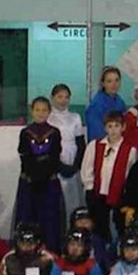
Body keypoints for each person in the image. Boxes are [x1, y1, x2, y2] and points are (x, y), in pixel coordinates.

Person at [14, 96, 65, 254]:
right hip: (29, 183)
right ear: (32, 111)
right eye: (37, 110)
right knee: (28, 218)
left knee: (49, 221)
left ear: (49, 112)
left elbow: (55, 158)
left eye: (44, 110)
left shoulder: (55, 133)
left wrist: (44, 174)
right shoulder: (25, 133)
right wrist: (34, 175)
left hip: (49, 184)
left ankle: (50, 253)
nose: (41, 113)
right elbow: (26, 157)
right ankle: (26, 253)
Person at [81, 111, 138, 243]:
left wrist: (126, 195)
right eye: (110, 126)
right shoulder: (94, 146)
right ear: (105, 128)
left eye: (116, 126)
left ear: (123, 127)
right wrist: (89, 188)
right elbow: (87, 168)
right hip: (98, 195)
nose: (113, 130)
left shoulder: (130, 150)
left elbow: (130, 175)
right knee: (100, 228)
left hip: (119, 196)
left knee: (118, 228)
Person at [48, 84, 85, 223]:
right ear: (52, 98)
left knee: (73, 198)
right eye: (60, 97)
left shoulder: (75, 117)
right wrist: (59, 165)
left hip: (72, 158)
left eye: (66, 97)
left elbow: (80, 142)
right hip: (56, 159)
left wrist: (75, 165)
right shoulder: (49, 118)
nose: (63, 100)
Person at [86, 66, 126, 142]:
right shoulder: (96, 105)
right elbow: (96, 134)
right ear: (103, 83)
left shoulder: (120, 101)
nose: (114, 84)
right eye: (109, 81)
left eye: (116, 80)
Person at [69, 207, 111, 274]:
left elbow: (102, 259)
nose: (83, 225)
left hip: (93, 272)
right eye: (80, 222)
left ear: (92, 223)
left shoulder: (97, 240)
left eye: (86, 222)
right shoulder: (69, 239)